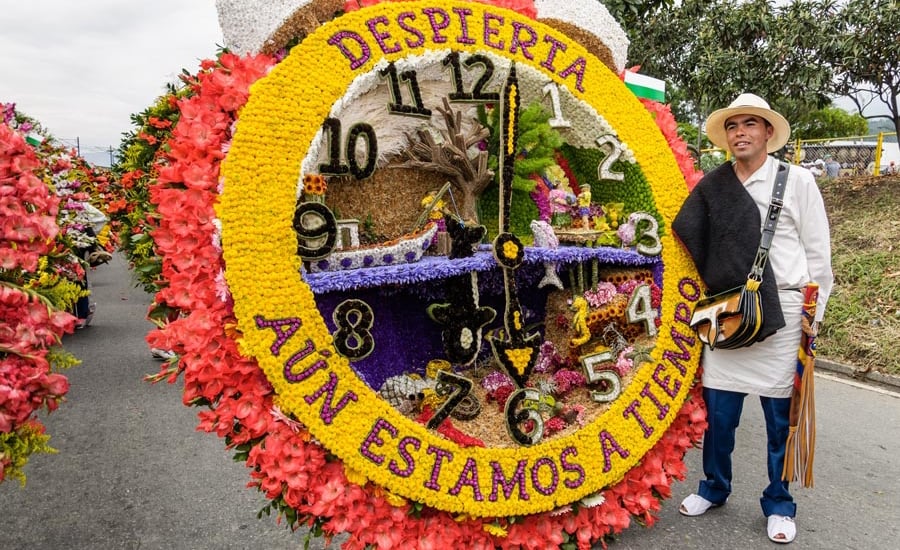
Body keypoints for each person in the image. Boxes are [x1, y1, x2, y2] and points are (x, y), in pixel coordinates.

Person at [672, 93, 834, 544]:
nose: (740, 132)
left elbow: (819, 255)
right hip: (727, 314)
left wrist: (812, 318)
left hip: (782, 316)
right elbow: (691, 237)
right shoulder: (713, 184)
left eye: (750, 124)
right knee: (720, 415)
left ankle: (779, 501)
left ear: (768, 133)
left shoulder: (796, 180)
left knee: (780, 419)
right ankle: (714, 487)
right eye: (732, 126)